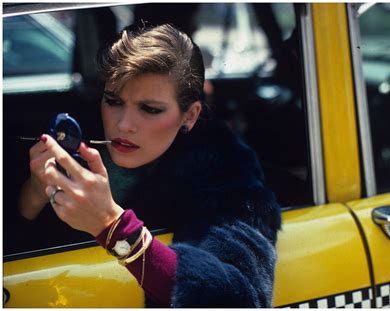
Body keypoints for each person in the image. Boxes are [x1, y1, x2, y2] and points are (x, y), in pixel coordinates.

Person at [17, 23, 281, 307]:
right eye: (113, 101)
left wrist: (113, 227)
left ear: (190, 115)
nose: (123, 125)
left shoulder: (227, 169)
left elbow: (234, 299)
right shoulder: (74, 138)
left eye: (150, 109)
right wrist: (33, 191)